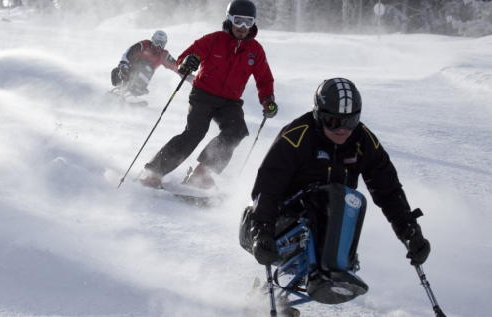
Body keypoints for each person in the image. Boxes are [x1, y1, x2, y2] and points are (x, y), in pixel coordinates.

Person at [245, 78, 431, 268]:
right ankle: (318, 264)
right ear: (319, 115)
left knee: (349, 200)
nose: (343, 130)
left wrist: (410, 232)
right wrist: (261, 231)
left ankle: (335, 268)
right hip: (280, 221)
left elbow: (387, 189)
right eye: (333, 122)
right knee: (324, 195)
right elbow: (268, 187)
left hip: (333, 222)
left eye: (350, 122)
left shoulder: (363, 141)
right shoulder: (297, 137)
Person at [138, 0, 278, 189]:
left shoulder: (255, 50)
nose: (243, 27)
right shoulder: (213, 40)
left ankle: (201, 173)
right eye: (238, 21)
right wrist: (187, 63)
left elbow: (264, 80)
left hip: (230, 101)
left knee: (237, 130)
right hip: (203, 94)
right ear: (229, 20)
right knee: (195, 132)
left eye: (248, 22)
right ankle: (153, 171)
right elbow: (184, 58)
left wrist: (267, 100)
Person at [110, 30, 186, 98]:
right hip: (125, 72)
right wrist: (124, 66)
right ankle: (121, 92)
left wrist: (188, 76)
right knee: (144, 65)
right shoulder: (144, 45)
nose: (159, 46)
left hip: (141, 83)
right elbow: (128, 54)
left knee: (148, 68)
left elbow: (176, 67)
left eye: (161, 44)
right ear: (152, 40)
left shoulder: (164, 55)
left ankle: (137, 87)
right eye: (156, 43)